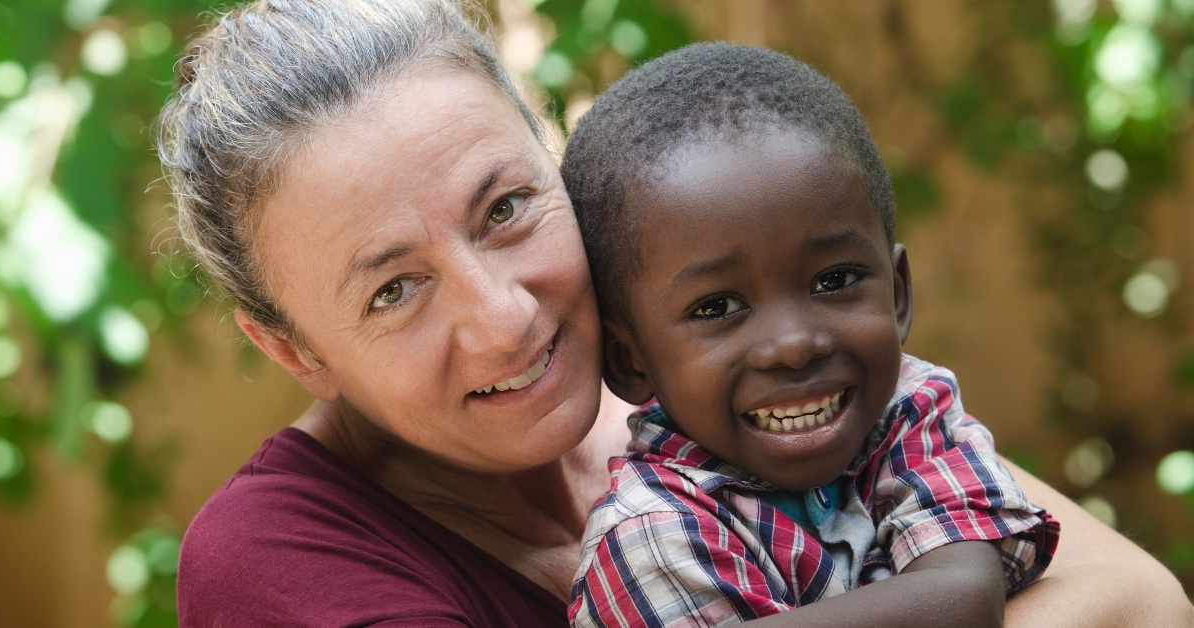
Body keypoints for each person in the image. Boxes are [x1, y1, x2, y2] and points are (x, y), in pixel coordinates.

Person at [156, 0, 1194, 626]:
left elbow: (1142, 600)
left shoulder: (699, 371)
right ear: (293, 350)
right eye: (394, 288)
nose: (506, 318)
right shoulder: (278, 559)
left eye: (507, 208)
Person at [562, 43, 1057, 628]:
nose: (794, 344)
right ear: (630, 360)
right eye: (717, 306)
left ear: (897, 295)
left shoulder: (909, 413)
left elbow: (964, 598)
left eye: (834, 279)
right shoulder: (652, 538)